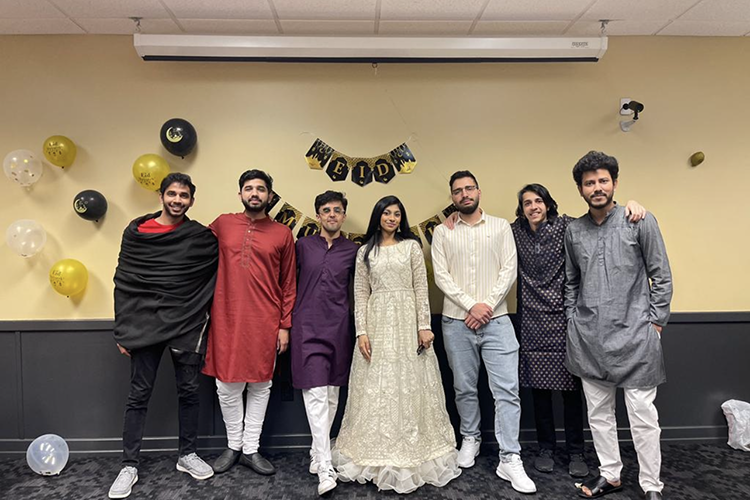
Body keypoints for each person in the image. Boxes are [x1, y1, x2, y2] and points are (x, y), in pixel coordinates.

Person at [510, 184, 646, 477]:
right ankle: (546, 447)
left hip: (566, 319)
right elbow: (485, 233)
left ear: (548, 204)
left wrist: (629, 207)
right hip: (532, 321)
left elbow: (601, 218)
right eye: (527, 203)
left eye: (538, 201)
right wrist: (454, 220)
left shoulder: (568, 226)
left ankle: (576, 451)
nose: (533, 207)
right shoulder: (514, 232)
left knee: (572, 391)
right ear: (521, 210)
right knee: (540, 391)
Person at [332, 195, 461, 494]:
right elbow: (361, 294)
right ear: (377, 216)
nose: (392, 218)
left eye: (397, 214)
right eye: (387, 213)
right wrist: (361, 332)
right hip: (377, 324)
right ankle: (375, 452)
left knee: (412, 381)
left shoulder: (411, 247)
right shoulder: (364, 251)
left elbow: (420, 287)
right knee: (378, 385)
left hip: (408, 322)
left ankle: (415, 448)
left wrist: (424, 326)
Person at [564, 151, 672, 500]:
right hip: (590, 339)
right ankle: (610, 475)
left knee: (643, 417)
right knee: (598, 415)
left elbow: (661, 276)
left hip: (636, 337)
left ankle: (652, 485)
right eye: (589, 183)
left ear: (615, 183)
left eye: (603, 181)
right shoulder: (575, 231)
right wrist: (573, 322)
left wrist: (655, 323)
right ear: (580, 189)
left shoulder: (639, 220)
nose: (597, 187)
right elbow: (570, 283)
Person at [110, 173, 218, 499]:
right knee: (138, 395)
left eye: (184, 196)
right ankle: (129, 465)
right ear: (161, 196)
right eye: (172, 194)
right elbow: (124, 281)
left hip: (186, 323)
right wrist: (124, 329)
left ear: (191, 201)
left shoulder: (200, 237)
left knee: (189, 391)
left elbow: (214, 275)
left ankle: (187, 455)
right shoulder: (137, 233)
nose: (177, 200)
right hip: (143, 326)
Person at [431, 171, 536, 495]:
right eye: (457, 191)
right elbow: (441, 277)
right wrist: (470, 307)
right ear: (452, 197)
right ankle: (471, 439)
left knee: (507, 391)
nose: (464, 194)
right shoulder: (442, 232)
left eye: (468, 188)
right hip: (455, 321)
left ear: (479, 191)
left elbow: (509, 269)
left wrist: (486, 306)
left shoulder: (501, 226)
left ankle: (510, 457)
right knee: (463, 388)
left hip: (498, 321)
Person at [203, 169, 296, 476]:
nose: (254, 193)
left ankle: (251, 449)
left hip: (265, 320)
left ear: (270, 196)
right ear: (240, 193)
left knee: (260, 385)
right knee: (227, 386)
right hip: (226, 317)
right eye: (248, 188)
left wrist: (284, 325)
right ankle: (234, 446)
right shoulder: (223, 224)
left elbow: (288, 283)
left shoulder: (283, 233)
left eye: (261, 189)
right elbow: (192, 251)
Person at [291, 190, 359, 496]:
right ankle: (326, 466)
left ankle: (316, 451)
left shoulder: (354, 251)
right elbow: (287, 285)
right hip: (306, 328)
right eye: (326, 210)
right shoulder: (302, 246)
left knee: (331, 395)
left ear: (343, 215)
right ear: (318, 215)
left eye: (337, 210)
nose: (331, 214)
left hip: (340, 329)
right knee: (316, 394)